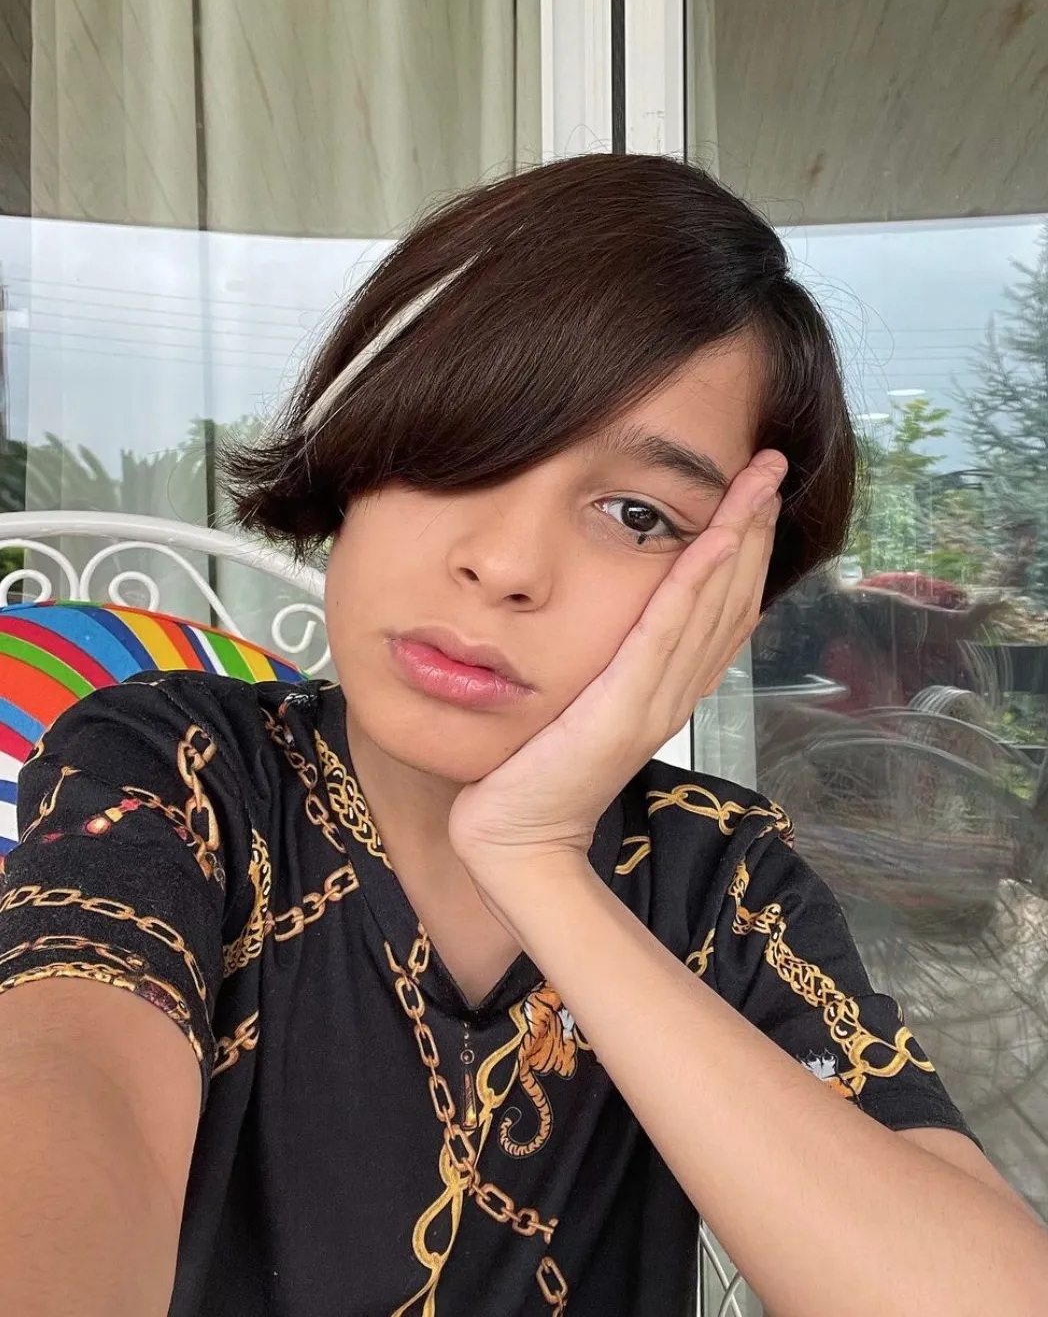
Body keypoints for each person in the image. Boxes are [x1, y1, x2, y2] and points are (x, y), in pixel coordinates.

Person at [3, 154, 1046, 1317]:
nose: (502, 562)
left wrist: (536, 856)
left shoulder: (717, 873)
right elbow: (65, 1087)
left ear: (723, 599)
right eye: (459, 446)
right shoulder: (174, 768)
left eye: (636, 514)